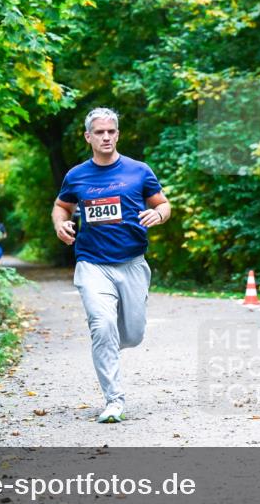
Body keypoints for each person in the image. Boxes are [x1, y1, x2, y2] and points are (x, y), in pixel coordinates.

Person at [52, 107, 171, 423]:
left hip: (132, 263)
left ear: (118, 134)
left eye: (111, 131)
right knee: (103, 326)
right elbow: (61, 206)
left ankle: (108, 345)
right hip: (92, 264)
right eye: (99, 132)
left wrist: (159, 214)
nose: (106, 137)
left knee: (132, 335)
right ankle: (114, 401)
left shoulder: (139, 171)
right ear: (88, 137)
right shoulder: (76, 175)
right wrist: (60, 224)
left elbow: (163, 203)